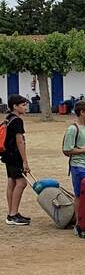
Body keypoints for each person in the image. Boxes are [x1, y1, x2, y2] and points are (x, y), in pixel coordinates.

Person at [2, 94, 30, 225]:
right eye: (23, 105)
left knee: (12, 182)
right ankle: (13, 215)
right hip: (15, 156)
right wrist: (25, 161)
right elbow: (20, 141)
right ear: (15, 106)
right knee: (22, 182)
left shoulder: (8, 118)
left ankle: (12, 212)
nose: (25, 107)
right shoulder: (17, 120)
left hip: (7, 155)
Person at [62, 99, 85, 197]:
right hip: (79, 166)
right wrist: (84, 150)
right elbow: (67, 150)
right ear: (82, 112)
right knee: (80, 196)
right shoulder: (73, 129)